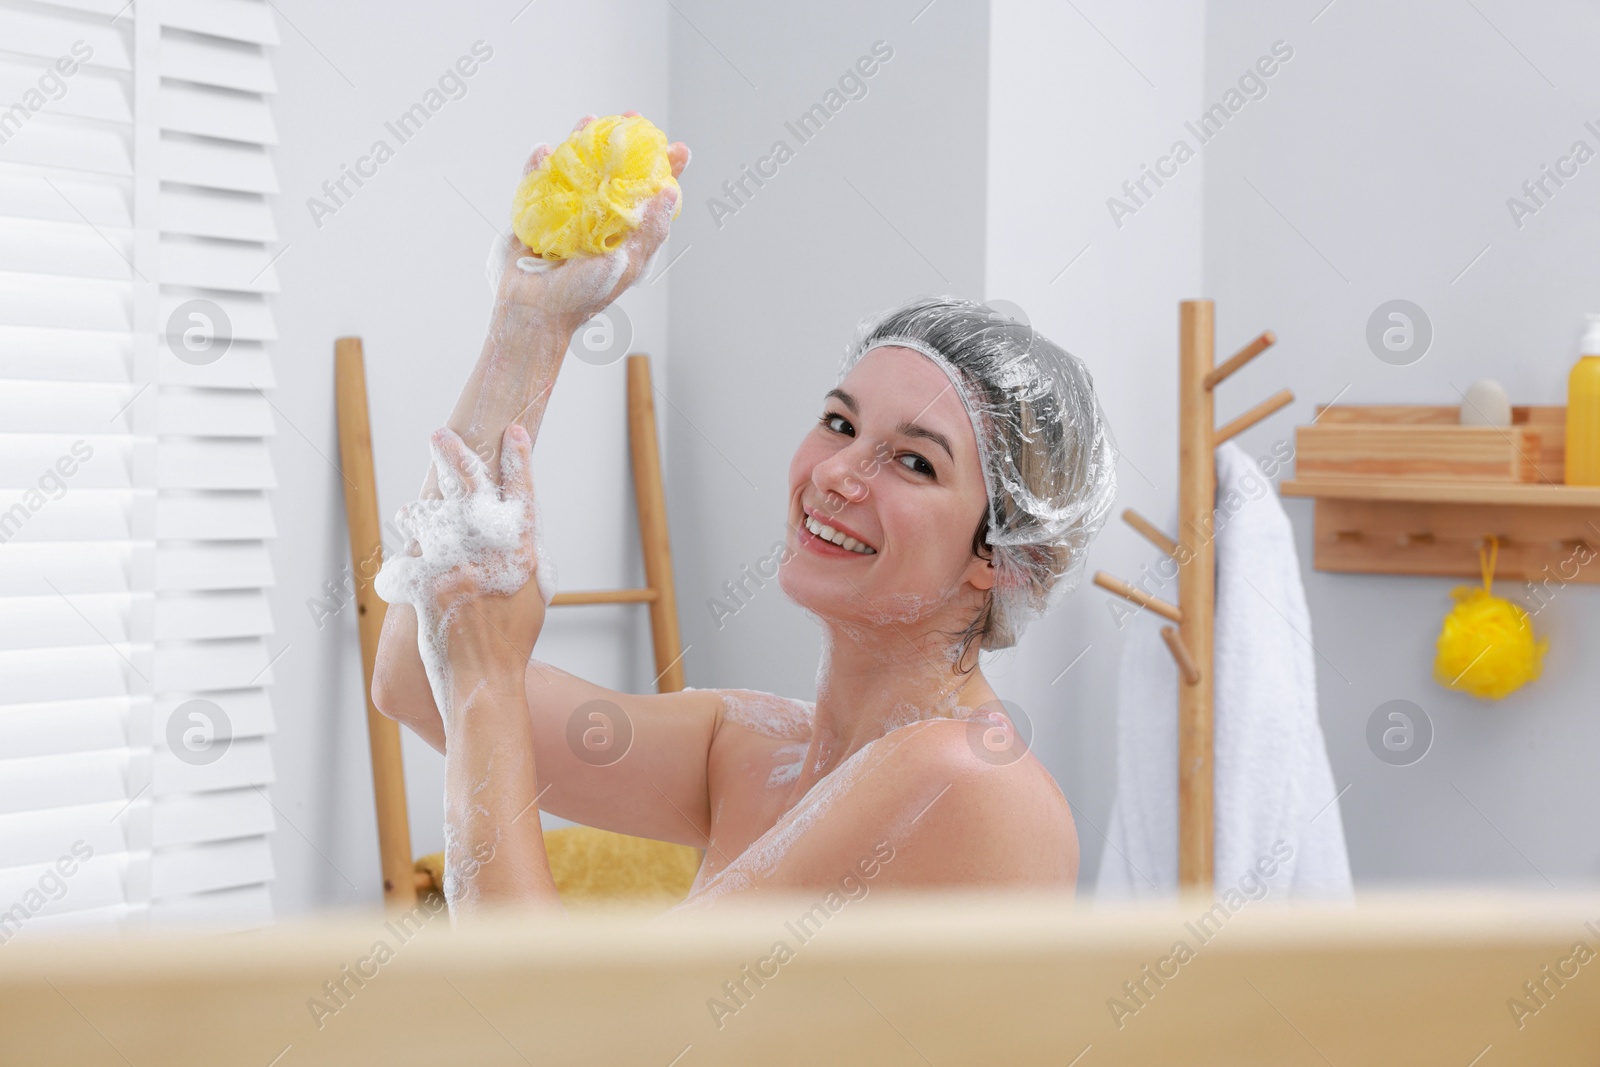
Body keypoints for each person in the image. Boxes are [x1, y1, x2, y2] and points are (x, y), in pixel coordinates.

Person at [371, 116, 1118, 916]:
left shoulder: (969, 779)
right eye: (840, 423)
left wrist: (488, 675)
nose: (836, 472)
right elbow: (416, 676)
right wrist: (529, 328)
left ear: (1002, 555)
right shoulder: (754, 751)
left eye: (913, 460)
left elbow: (566, 1030)